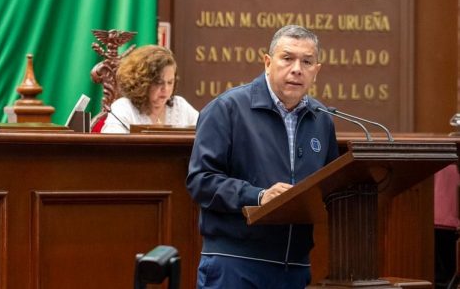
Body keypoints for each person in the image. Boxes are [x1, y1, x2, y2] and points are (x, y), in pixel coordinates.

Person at [186, 25, 338, 289]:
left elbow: (330, 187)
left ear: (317, 70)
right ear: (267, 62)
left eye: (307, 61)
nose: (297, 69)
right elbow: (200, 180)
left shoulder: (321, 118)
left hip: (295, 267)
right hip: (235, 262)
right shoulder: (228, 108)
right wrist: (258, 196)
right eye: (287, 58)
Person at [102, 45, 198, 133]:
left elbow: (205, 135)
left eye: (170, 82)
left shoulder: (180, 106)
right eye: (159, 82)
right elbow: (111, 146)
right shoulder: (124, 108)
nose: (166, 89)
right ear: (142, 82)